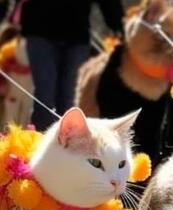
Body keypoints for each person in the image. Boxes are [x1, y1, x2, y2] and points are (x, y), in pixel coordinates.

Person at [20, 0, 124, 130]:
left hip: (77, 35)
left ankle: (67, 145)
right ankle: (41, 142)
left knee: (70, 101)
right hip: (40, 31)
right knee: (45, 97)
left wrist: (119, 26)